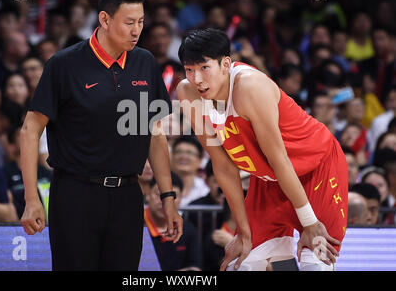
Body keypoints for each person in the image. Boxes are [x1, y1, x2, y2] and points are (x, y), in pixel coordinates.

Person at [20, 0, 182, 271]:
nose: (136, 30)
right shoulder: (64, 64)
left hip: (128, 196)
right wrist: (32, 199)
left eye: (141, 22)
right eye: (129, 22)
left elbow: (154, 134)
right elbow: (31, 130)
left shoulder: (145, 62)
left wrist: (167, 196)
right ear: (105, 20)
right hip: (75, 195)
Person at [176, 28, 348, 271]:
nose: (197, 79)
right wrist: (243, 230)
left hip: (316, 166)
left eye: (204, 68)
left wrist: (309, 221)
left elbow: (279, 158)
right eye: (189, 70)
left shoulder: (249, 86)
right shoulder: (187, 93)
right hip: (268, 177)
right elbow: (222, 164)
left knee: (316, 262)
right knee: (243, 263)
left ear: (225, 63)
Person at [144, 172, 202, 271]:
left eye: (173, 197)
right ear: (148, 195)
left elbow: (194, 269)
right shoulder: (133, 227)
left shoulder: (188, 230)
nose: (165, 202)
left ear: (181, 199)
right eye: (159, 195)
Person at [170, 135, 209, 207]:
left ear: (200, 160)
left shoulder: (205, 190)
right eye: (179, 152)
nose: (183, 157)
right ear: (171, 157)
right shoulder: (162, 186)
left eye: (190, 153)